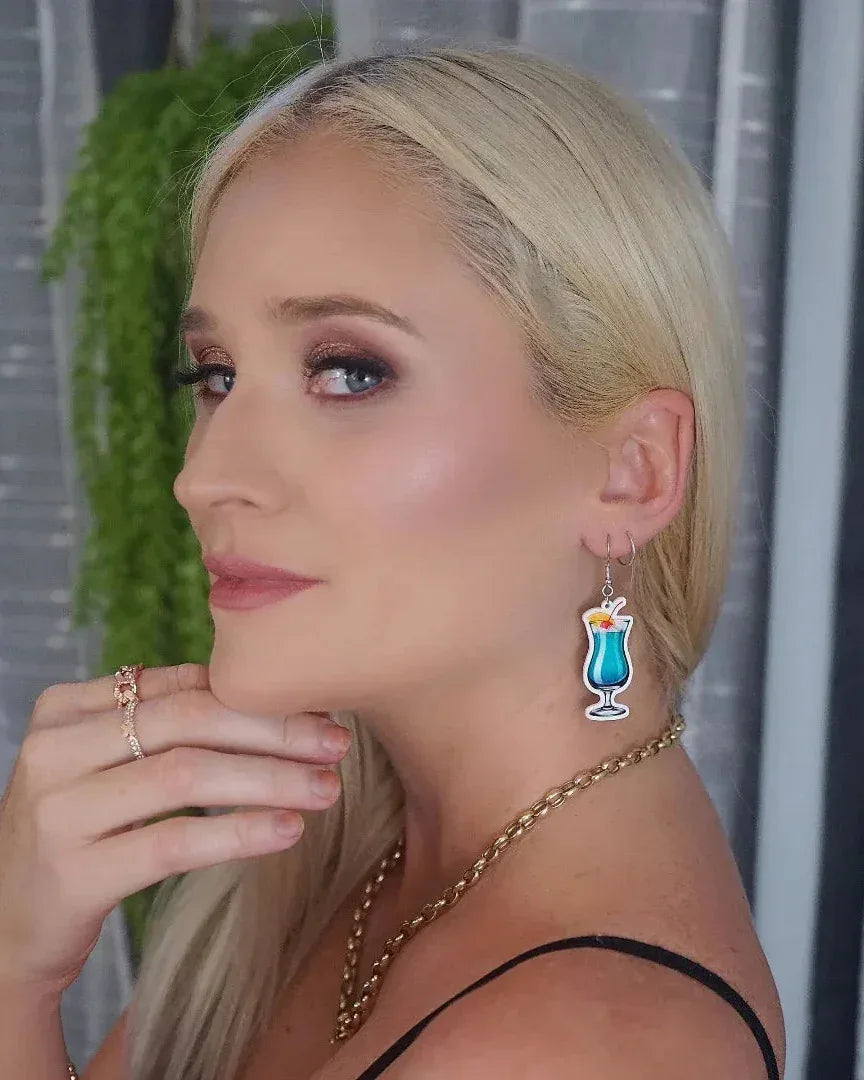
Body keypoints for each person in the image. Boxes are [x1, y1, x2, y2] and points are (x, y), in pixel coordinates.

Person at [0, 44, 786, 1080]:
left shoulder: (574, 1047)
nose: (207, 477)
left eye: (348, 371)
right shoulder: (319, 873)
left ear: (631, 475)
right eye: (218, 374)